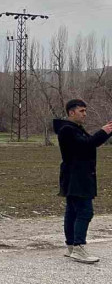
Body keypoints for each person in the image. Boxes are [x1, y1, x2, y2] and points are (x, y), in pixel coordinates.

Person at [53, 99, 112, 264]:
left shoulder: (73, 129)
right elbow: (86, 145)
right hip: (77, 177)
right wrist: (103, 132)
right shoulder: (67, 130)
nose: (85, 114)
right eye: (82, 111)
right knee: (85, 211)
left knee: (72, 211)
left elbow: (91, 143)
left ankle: (71, 247)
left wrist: (107, 131)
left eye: (85, 111)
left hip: (77, 176)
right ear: (71, 112)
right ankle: (78, 247)